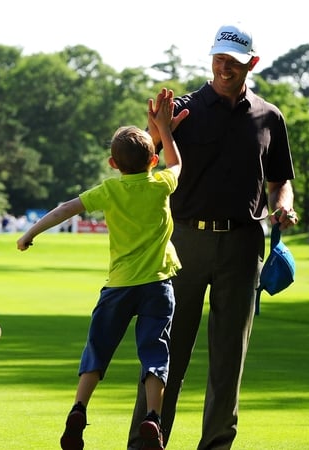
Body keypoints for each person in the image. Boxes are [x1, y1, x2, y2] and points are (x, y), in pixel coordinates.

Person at [127, 23, 299, 450]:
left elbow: (281, 180)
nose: (224, 69)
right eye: (218, 59)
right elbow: (141, 165)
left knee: (229, 360)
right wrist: (155, 131)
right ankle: (146, 443)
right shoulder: (184, 109)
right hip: (183, 241)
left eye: (234, 62)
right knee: (166, 352)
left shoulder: (269, 117)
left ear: (250, 64)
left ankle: (216, 446)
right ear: (211, 59)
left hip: (243, 246)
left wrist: (285, 204)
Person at [17, 88, 188, 450]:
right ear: (151, 162)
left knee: (97, 348)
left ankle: (79, 407)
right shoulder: (161, 185)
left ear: (113, 164)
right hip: (157, 285)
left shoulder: (109, 191)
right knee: (156, 354)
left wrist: (31, 232)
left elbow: (65, 209)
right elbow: (177, 164)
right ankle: (153, 417)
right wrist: (164, 130)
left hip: (119, 286)